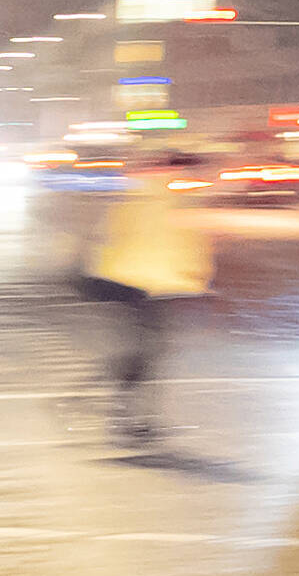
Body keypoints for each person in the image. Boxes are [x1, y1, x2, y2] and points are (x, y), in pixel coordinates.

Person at [76, 152, 217, 447]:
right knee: (150, 350)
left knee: (148, 349)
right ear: (181, 170)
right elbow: (172, 244)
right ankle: (124, 415)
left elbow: (113, 234)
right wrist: (197, 280)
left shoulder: (145, 192)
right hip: (140, 284)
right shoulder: (168, 198)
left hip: (126, 281)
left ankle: (120, 409)